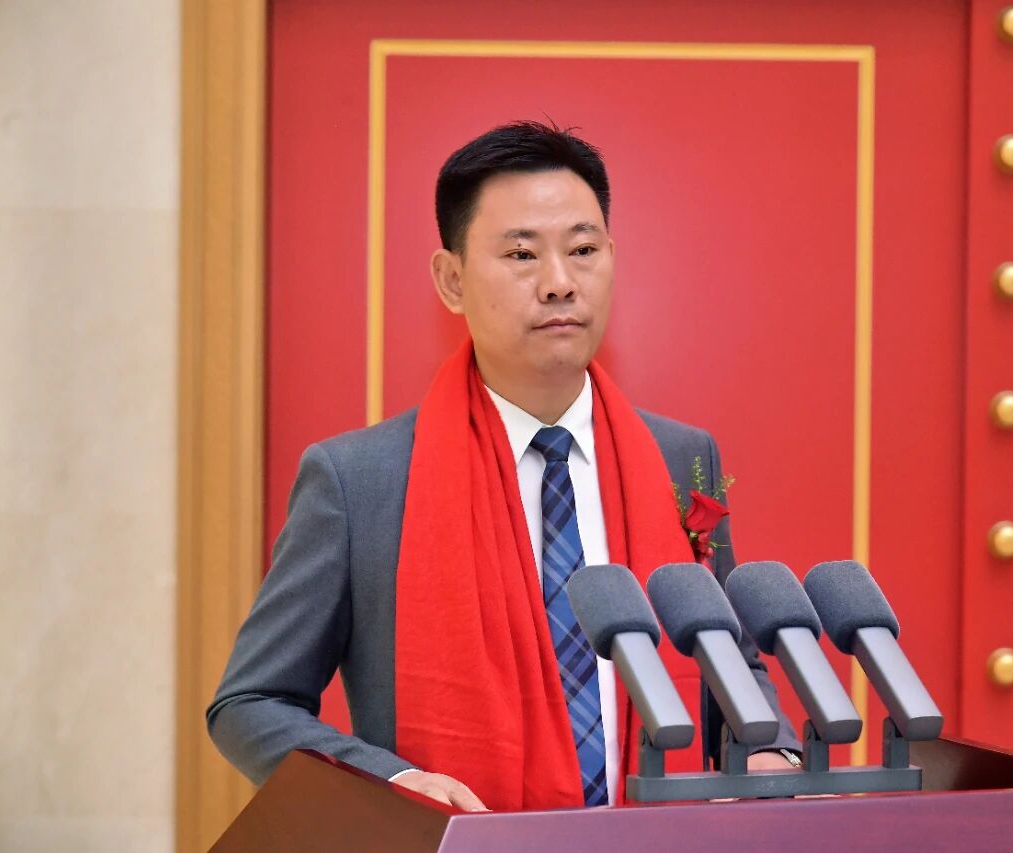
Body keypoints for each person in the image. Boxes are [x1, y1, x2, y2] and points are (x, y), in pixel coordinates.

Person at [207, 120, 800, 813]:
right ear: (452, 279)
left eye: (583, 250)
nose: (559, 283)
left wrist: (772, 750)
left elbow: (730, 659)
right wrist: (390, 786)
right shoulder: (359, 481)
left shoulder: (680, 458)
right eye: (522, 254)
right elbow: (250, 703)